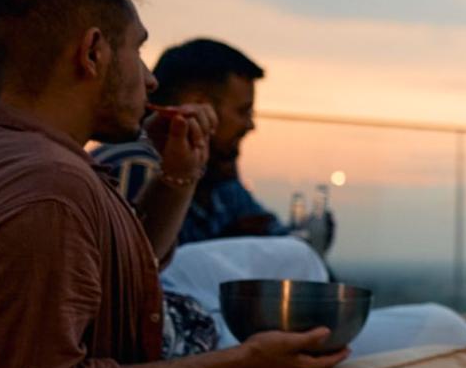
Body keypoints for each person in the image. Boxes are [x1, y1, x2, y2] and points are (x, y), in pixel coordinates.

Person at [0, 0, 346, 368]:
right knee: (436, 328)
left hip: (167, 318)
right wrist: (242, 360)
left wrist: (178, 176)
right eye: (137, 50)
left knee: (295, 259)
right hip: (177, 347)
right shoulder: (54, 193)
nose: (151, 79)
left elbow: (125, 275)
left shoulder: (34, 160)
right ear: (93, 53)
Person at [92, 37, 332, 251]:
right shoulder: (131, 167)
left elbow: (280, 240)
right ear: (198, 105)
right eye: (243, 111)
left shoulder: (219, 178)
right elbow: (133, 274)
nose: (250, 125)